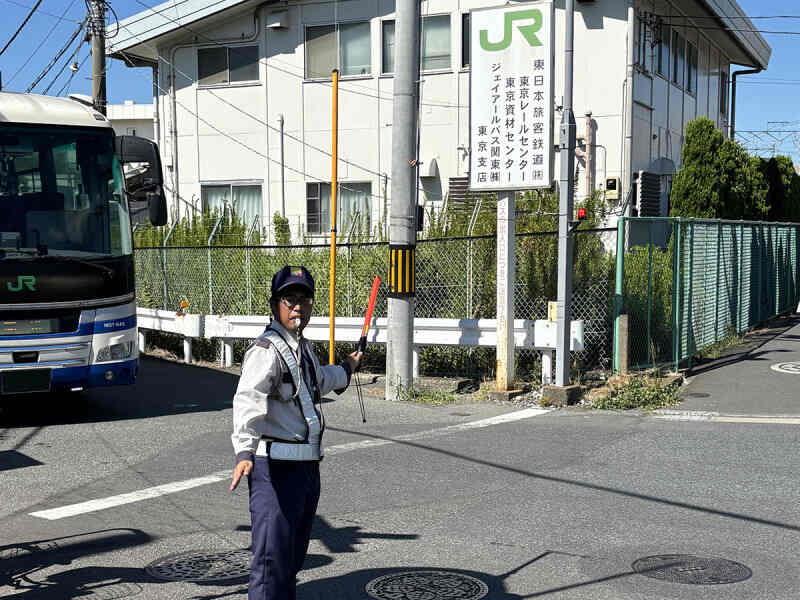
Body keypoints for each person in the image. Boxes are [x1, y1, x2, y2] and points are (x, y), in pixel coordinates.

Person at [230, 265, 362, 600]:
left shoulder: (302, 348)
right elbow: (249, 398)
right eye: (290, 299)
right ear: (275, 304)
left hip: (305, 469)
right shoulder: (266, 350)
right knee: (271, 560)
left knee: (291, 558)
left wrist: (348, 367)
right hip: (274, 470)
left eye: (304, 299)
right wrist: (244, 451)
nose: (297, 307)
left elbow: (320, 381)